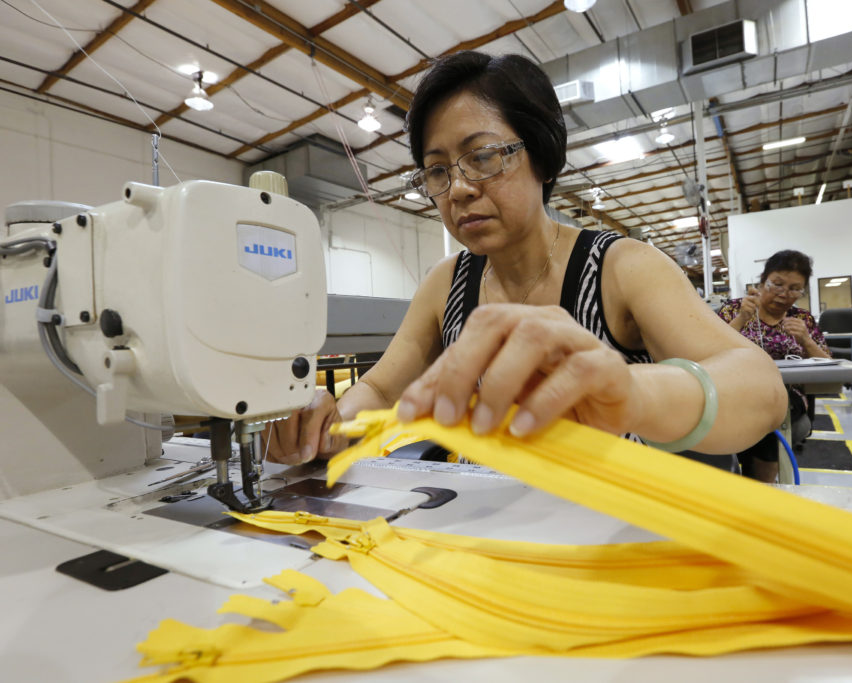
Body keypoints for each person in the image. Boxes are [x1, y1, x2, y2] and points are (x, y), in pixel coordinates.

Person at [264, 51, 786, 467]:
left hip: (601, 530)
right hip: (480, 527)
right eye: (437, 170)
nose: (460, 189)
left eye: (483, 157)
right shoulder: (447, 283)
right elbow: (380, 386)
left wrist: (634, 393)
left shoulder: (621, 267)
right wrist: (327, 421)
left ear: (541, 153)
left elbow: (762, 392)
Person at [716, 250, 830, 481]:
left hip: (787, 397)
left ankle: (760, 486)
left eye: (794, 288)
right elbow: (709, 347)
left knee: (770, 416)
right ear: (762, 282)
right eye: (777, 285)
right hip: (736, 392)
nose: (784, 294)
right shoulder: (734, 310)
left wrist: (806, 340)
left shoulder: (803, 320)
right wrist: (741, 320)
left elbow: (828, 365)